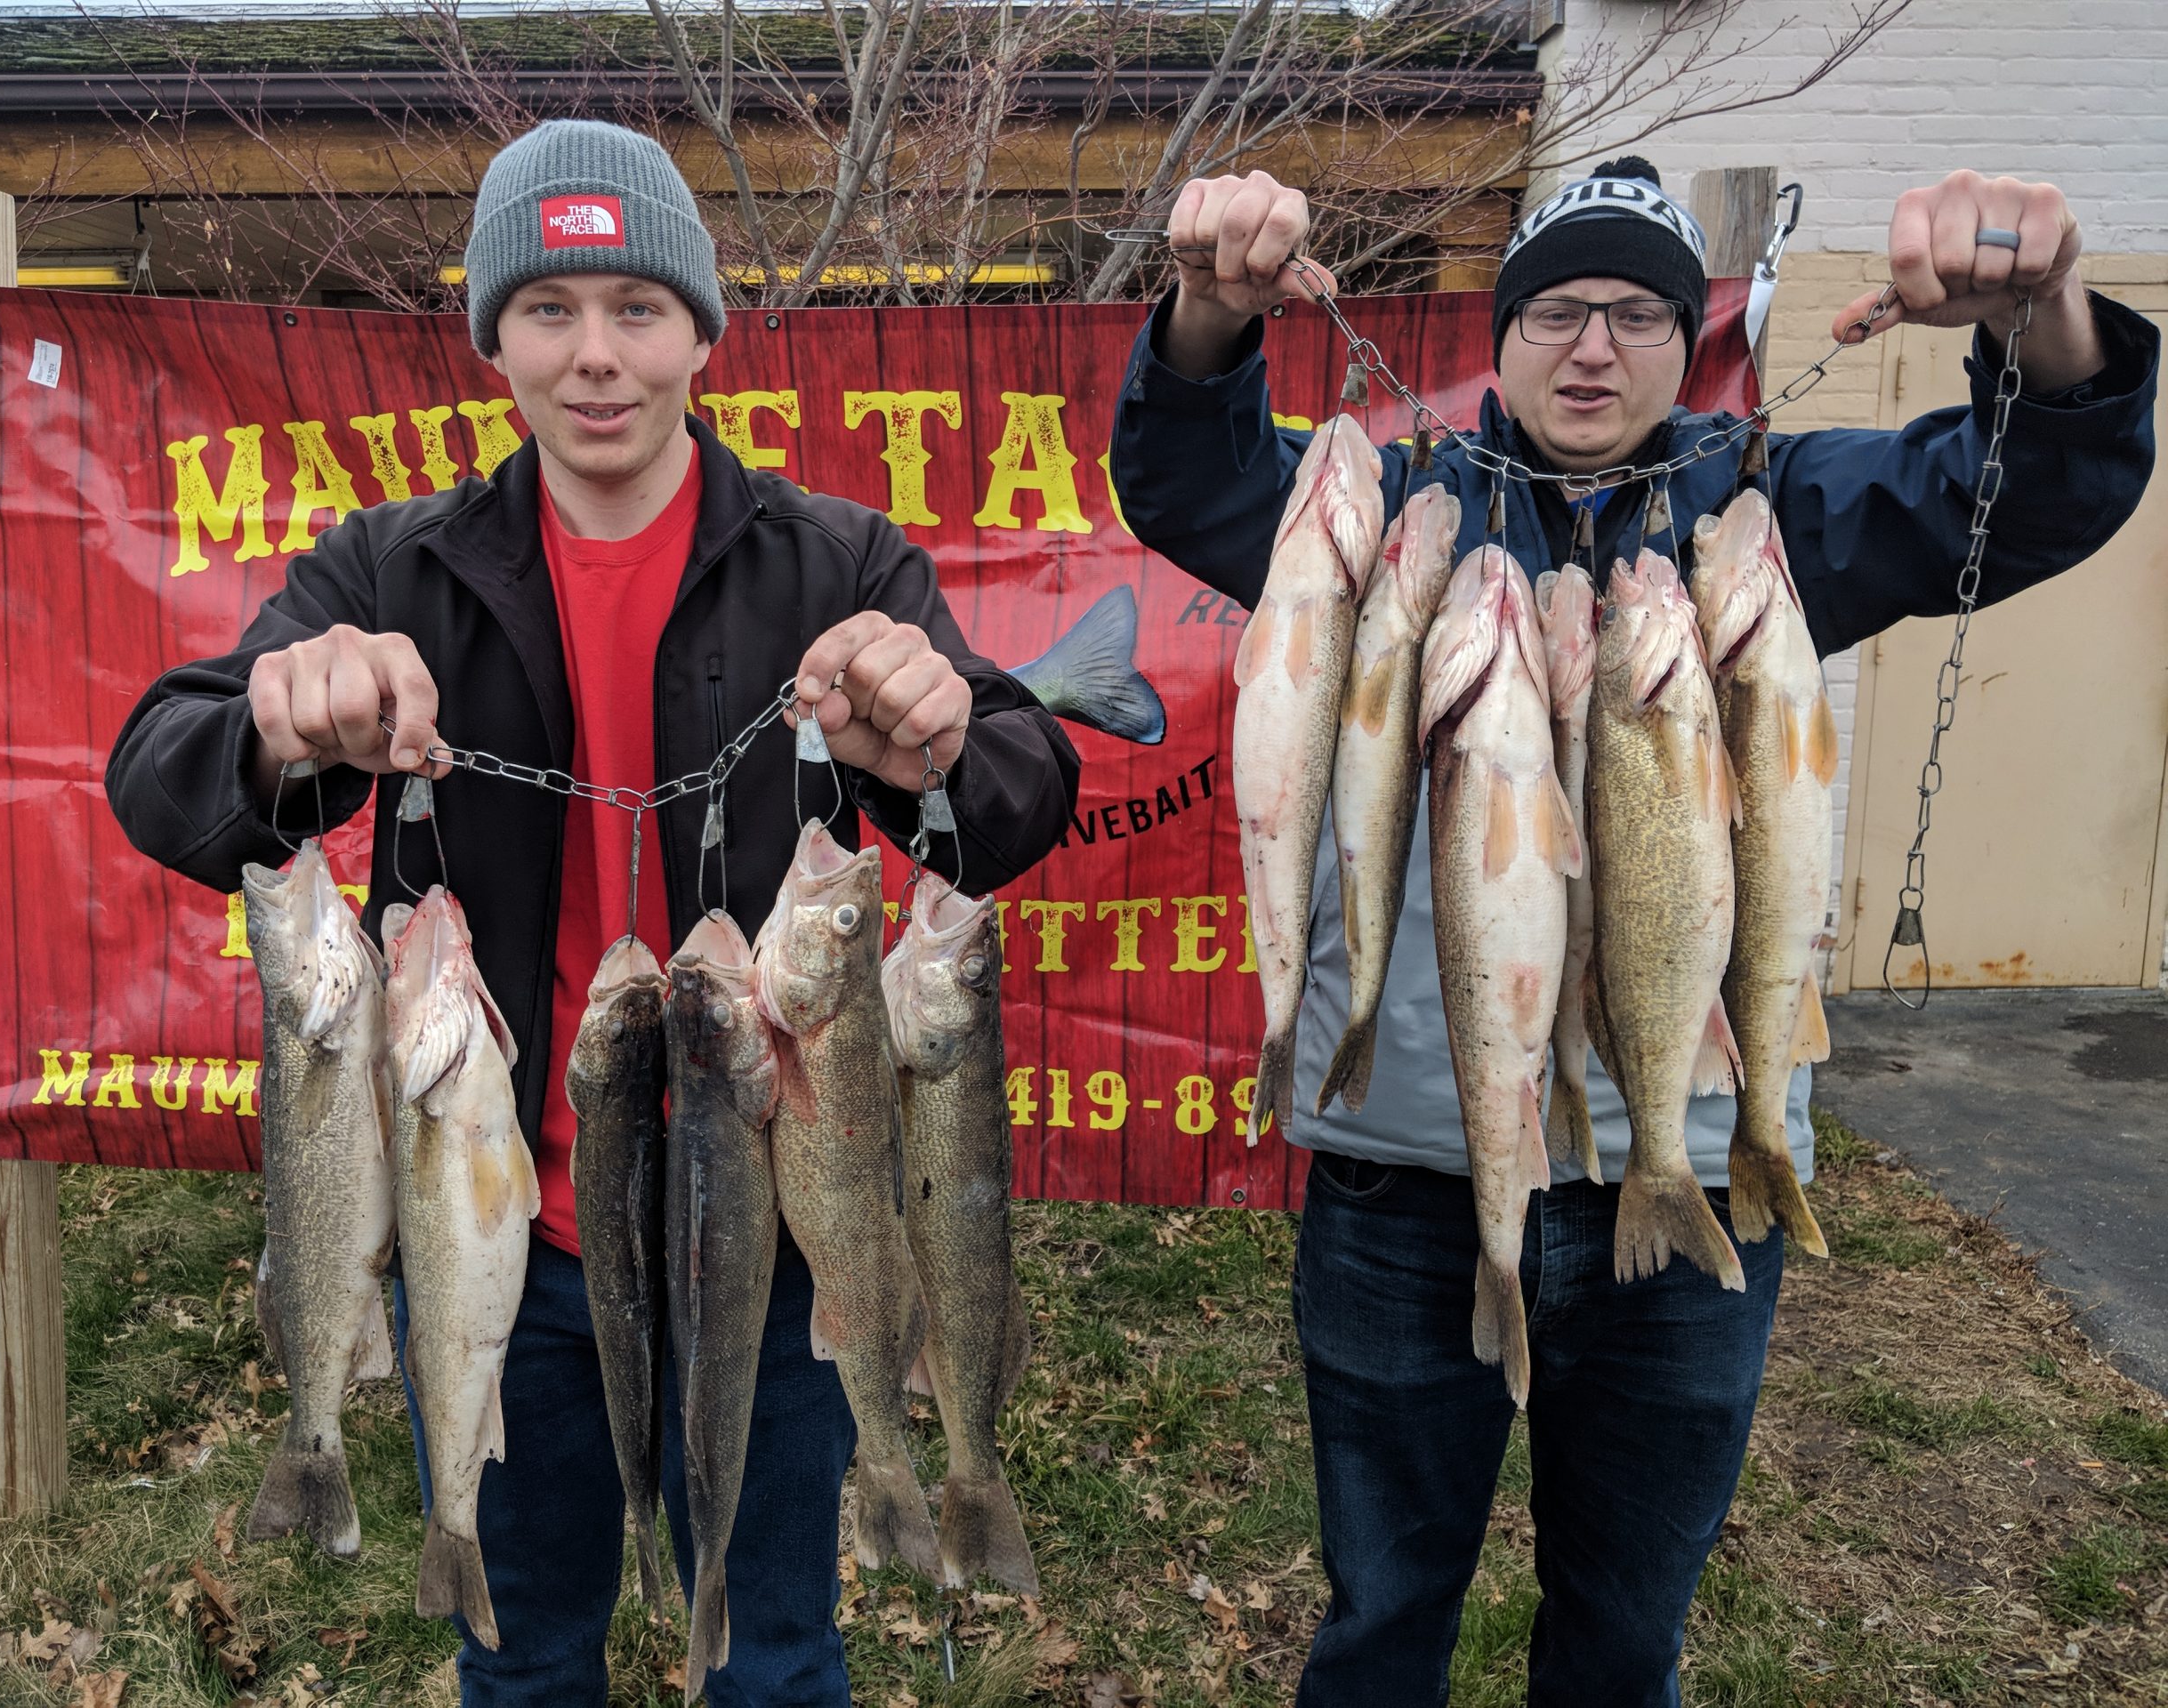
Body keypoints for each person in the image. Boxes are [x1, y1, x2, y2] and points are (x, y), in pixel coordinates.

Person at [1109, 157, 2156, 1704]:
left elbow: (2018, 496)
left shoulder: (1768, 511)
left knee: (1622, 1635)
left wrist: (2049, 323)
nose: (1591, 348)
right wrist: (1206, 313)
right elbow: (1190, 482)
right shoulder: (1393, 519)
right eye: (1554, 311)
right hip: (1409, 1185)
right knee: (1381, 1616)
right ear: (1503, 332)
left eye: (1637, 314)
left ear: (1690, 340)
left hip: (1684, 1189)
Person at [107, 118, 1079, 1707]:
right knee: (525, 1655)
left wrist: (950, 732)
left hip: (773, 1229)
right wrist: (282, 721)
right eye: (549, 308)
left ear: (705, 327)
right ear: (492, 338)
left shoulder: (835, 561)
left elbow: (1028, 791)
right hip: (490, 1228)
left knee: (771, 1656)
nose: (597, 356)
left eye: (638, 305)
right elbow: (159, 775)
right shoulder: (393, 568)